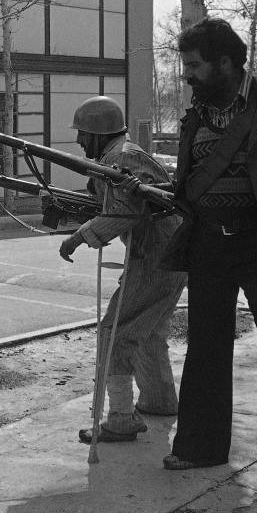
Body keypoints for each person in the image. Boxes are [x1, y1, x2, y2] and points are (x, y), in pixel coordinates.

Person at [154, 17, 257, 479]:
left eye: (194, 65)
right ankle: (200, 447)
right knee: (205, 348)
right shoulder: (197, 112)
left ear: (225, 62)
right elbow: (189, 182)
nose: (186, 75)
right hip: (209, 243)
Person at [58, 96, 186, 443]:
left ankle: (120, 418)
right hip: (168, 257)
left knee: (113, 334)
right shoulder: (122, 154)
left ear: (99, 134)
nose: (80, 142)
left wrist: (79, 237)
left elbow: (123, 212)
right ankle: (159, 401)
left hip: (154, 259)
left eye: (83, 134)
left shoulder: (121, 157)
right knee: (147, 333)